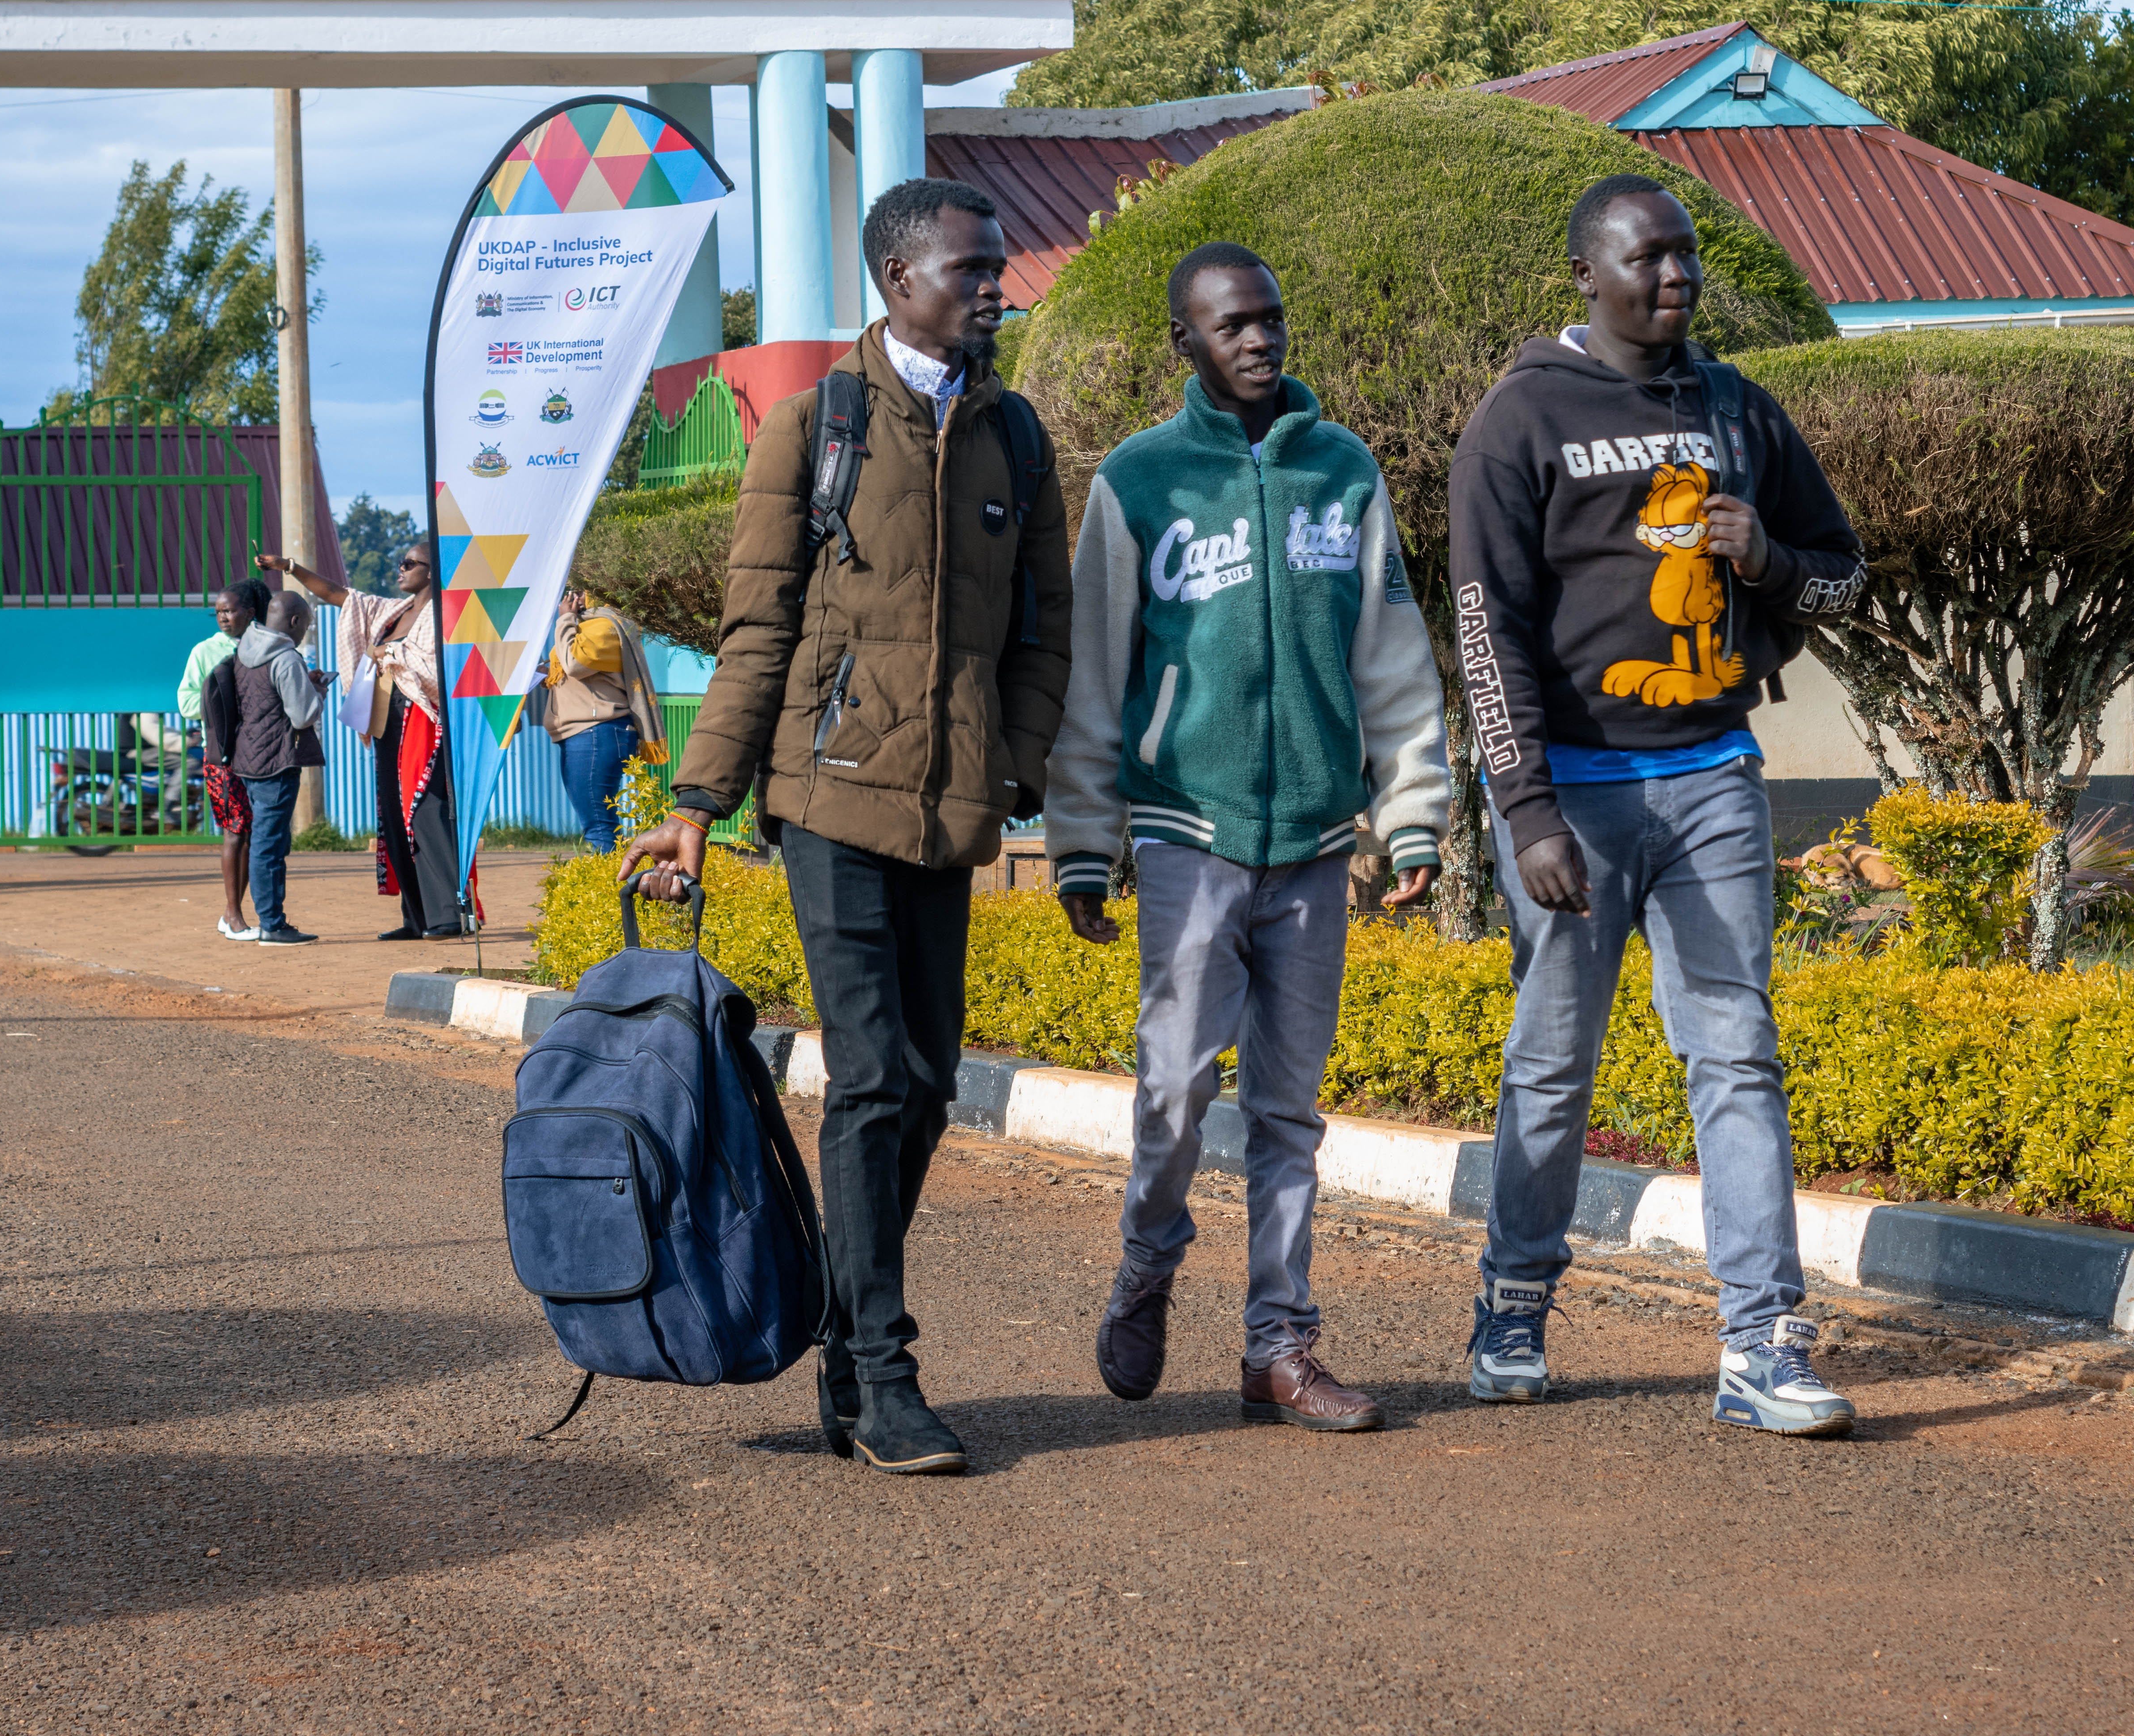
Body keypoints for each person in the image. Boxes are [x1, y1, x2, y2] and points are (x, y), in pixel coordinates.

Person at [617, 177, 1072, 1478]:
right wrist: (697, 801)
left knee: (926, 1082)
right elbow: (755, 628)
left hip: (951, 799)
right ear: (897, 279)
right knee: (873, 1075)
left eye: (998, 267)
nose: (995, 289)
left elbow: (1046, 627)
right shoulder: (816, 427)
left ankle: (839, 1339)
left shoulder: (1015, 437)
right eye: (972, 269)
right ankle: (881, 1368)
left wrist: (1017, 762)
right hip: (826, 792)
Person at [1446, 174, 1868, 1437]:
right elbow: (1485, 628)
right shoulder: (1520, 417)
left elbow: (1845, 581)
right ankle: (1513, 1302)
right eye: (1649, 258)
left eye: (1685, 256)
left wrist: (1767, 558)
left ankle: (1762, 1342)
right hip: (1573, 794)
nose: (1676, 276)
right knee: (1552, 1063)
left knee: (1737, 1052)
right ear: (1588, 274)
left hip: (1712, 775)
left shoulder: (1736, 407)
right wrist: (1526, 811)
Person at [1045, 241, 1450, 1434]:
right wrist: (1081, 839)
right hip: (1189, 830)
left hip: (1315, 839)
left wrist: (1411, 812)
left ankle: (1280, 1345)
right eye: (1232, 325)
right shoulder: (1140, 480)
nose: (1260, 339)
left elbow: (1392, 660)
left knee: (1287, 1110)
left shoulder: (1344, 470)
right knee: (1174, 1087)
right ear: (1186, 342)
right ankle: (1148, 1258)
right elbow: (1093, 674)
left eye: (1271, 318)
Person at [259, 540, 465, 940]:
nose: (401, 568)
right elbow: (341, 596)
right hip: (387, 719)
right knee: (394, 815)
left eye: (410, 563)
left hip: (424, 719)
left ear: (432, 571)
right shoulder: (393, 611)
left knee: (425, 810)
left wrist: (391, 654)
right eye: (401, 561)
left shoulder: (446, 614)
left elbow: (441, 668)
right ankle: (417, 918)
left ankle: (450, 914)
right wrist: (290, 567)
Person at [210, 576, 326, 948]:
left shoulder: (246, 648)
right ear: (294, 622)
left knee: (263, 839)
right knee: (269, 844)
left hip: (248, 758)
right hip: (277, 760)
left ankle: (270, 920)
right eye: (305, 625)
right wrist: (318, 691)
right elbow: (302, 715)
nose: (305, 633)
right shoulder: (286, 657)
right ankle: (273, 924)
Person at [542, 588, 663, 854]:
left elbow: (575, 663)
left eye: (577, 591)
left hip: (595, 734)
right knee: (598, 822)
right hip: (587, 734)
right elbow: (572, 668)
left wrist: (565, 619)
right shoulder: (590, 626)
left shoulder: (606, 626)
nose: (571, 598)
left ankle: (612, 877)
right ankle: (613, 874)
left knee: (599, 825)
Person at [181, 591, 253, 939]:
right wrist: (221, 700)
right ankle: (234, 916)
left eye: (230, 611)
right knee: (234, 830)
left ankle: (231, 912)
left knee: (251, 833)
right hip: (222, 754)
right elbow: (186, 702)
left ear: (250, 612)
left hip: (257, 754)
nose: (224, 617)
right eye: (219, 612)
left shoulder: (262, 648)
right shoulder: (204, 652)